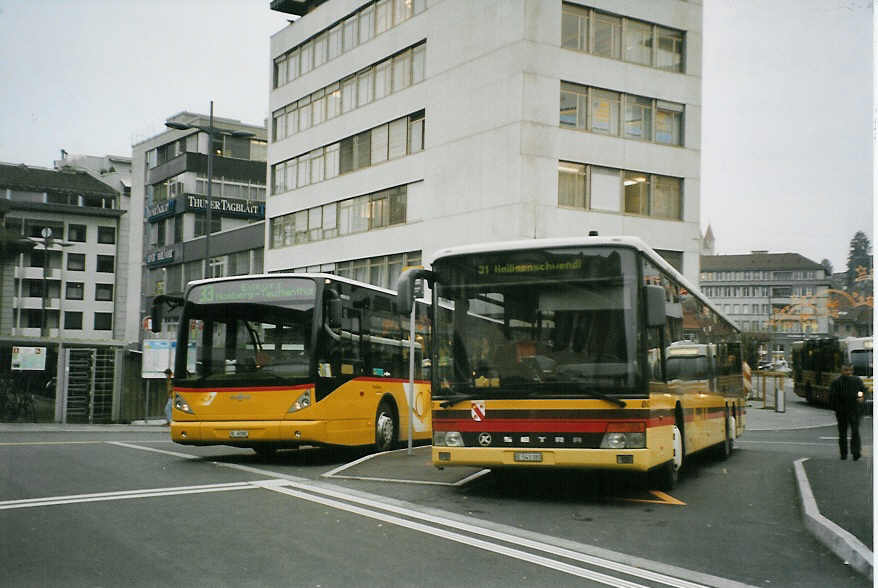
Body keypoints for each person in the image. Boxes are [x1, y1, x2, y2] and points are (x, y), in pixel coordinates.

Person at [828, 363, 867, 460]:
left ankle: (856, 452)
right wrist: (836, 408)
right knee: (842, 433)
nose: (848, 372)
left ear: (852, 371)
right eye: (846, 370)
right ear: (841, 371)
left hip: (855, 410)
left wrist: (860, 397)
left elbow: (861, 390)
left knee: (855, 432)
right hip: (842, 412)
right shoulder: (836, 382)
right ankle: (843, 453)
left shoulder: (857, 381)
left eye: (850, 370)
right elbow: (832, 396)